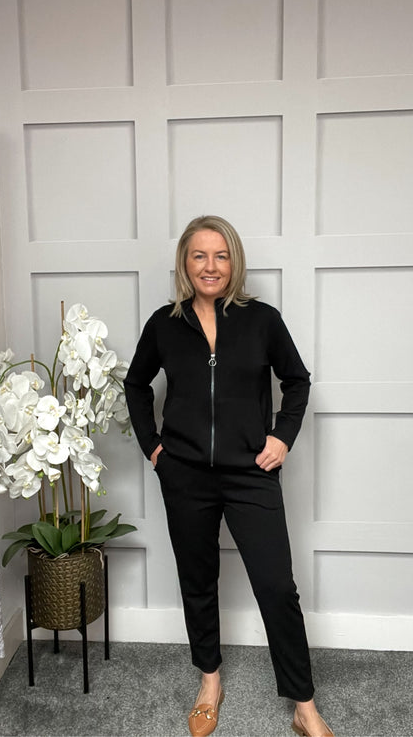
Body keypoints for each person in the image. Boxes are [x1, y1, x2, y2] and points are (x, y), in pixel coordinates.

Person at [124, 215, 334, 737]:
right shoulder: (164, 324)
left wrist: (282, 436)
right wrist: (154, 448)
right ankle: (210, 682)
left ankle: (303, 705)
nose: (210, 266)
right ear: (185, 262)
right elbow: (136, 384)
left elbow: (297, 380)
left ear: (234, 262)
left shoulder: (262, 320)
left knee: (276, 586)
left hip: (250, 474)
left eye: (221, 256)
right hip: (185, 475)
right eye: (200, 255)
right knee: (198, 581)